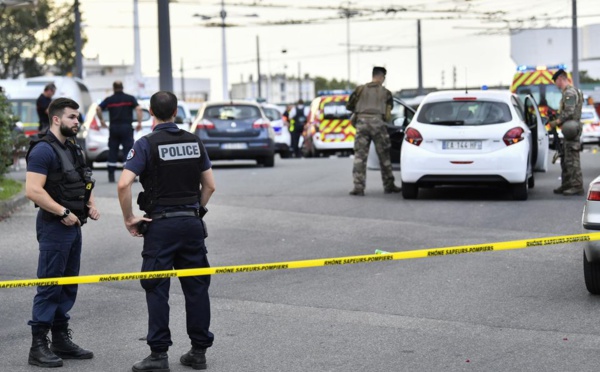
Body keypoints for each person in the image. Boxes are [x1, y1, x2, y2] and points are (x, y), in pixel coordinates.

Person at [117, 91, 216, 372]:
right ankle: (198, 352)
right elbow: (210, 185)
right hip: (191, 224)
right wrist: (195, 209)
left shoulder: (146, 144)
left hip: (160, 225)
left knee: (157, 288)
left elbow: (124, 184)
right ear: (175, 112)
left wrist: (129, 218)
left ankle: (159, 355)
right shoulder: (195, 142)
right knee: (196, 288)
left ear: (151, 112)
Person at [25, 97, 100, 368]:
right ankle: (38, 346)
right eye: (72, 117)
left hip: (73, 225)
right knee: (49, 285)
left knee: (67, 284)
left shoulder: (72, 148)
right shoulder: (43, 150)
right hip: (54, 226)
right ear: (56, 119)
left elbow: (82, 181)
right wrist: (63, 212)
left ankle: (59, 339)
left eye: (77, 117)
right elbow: (33, 190)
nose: (77, 122)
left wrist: (89, 204)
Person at [346, 66, 402, 196]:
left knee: (360, 156)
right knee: (384, 156)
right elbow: (388, 114)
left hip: (362, 124)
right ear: (382, 77)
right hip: (378, 124)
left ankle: (358, 187)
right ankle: (389, 185)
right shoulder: (386, 93)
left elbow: (349, 106)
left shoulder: (360, 90)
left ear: (373, 75)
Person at [97, 81, 142, 183]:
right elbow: (139, 109)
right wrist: (139, 122)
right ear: (122, 87)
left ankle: (111, 175)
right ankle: (129, 175)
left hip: (114, 128)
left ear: (113, 88)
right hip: (126, 127)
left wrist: (102, 121)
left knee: (113, 150)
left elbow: (98, 108)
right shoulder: (130, 98)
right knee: (128, 151)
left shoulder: (110, 99)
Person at [548, 69, 584, 196]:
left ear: (560, 79)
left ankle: (577, 185)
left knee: (572, 159)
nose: (556, 85)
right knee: (566, 157)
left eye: (556, 81)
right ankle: (567, 183)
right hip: (570, 129)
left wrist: (557, 121)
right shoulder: (571, 91)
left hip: (571, 129)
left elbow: (569, 111)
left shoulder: (569, 93)